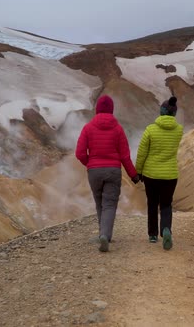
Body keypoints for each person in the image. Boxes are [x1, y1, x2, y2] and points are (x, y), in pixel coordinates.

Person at [76, 95, 140, 252]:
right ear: (111, 110)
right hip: (113, 171)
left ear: (97, 109)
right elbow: (125, 156)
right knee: (109, 205)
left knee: (99, 203)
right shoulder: (118, 129)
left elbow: (80, 153)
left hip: (94, 172)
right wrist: (133, 175)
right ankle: (105, 235)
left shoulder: (88, 128)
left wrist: (90, 164)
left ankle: (102, 235)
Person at [135, 97, 183, 250]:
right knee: (166, 204)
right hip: (170, 175)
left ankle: (153, 235)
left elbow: (142, 153)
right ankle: (166, 230)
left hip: (151, 174)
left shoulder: (150, 129)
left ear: (161, 111)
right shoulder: (179, 130)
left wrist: (138, 171)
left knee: (152, 203)